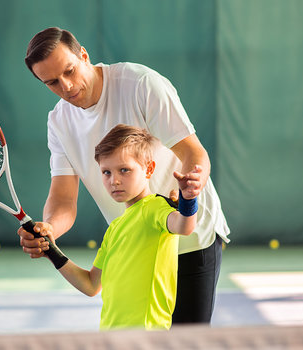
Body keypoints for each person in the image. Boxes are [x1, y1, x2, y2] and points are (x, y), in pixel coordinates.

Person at [19, 27, 230, 324]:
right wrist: (50, 229)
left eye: (69, 71)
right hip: (135, 243)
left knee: (187, 340)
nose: (65, 87)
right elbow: (64, 198)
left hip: (191, 240)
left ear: (84, 55)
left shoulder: (141, 84)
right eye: (52, 82)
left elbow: (194, 154)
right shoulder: (59, 122)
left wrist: (189, 191)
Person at [38, 124, 199, 330]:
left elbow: (184, 226)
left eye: (124, 170)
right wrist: (52, 252)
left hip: (147, 336)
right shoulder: (114, 228)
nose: (114, 180)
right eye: (106, 172)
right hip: (111, 334)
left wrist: (188, 200)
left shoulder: (155, 207)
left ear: (148, 169)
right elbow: (91, 285)